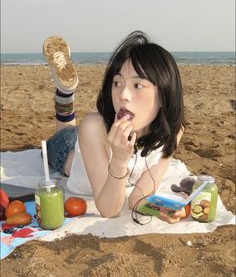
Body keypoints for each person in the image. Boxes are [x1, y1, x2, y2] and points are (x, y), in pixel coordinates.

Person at [43, 31, 187, 223]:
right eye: (117, 83)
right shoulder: (93, 127)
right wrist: (119, 160)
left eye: (137, 85)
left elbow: (138, 199)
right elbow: (109, 210)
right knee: (64, 132)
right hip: (65, 153)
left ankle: (65, 96)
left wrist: (165, 209)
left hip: (91, 141)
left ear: (164, 95)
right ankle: (65, 94)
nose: (123, 95)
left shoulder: (173, 132)